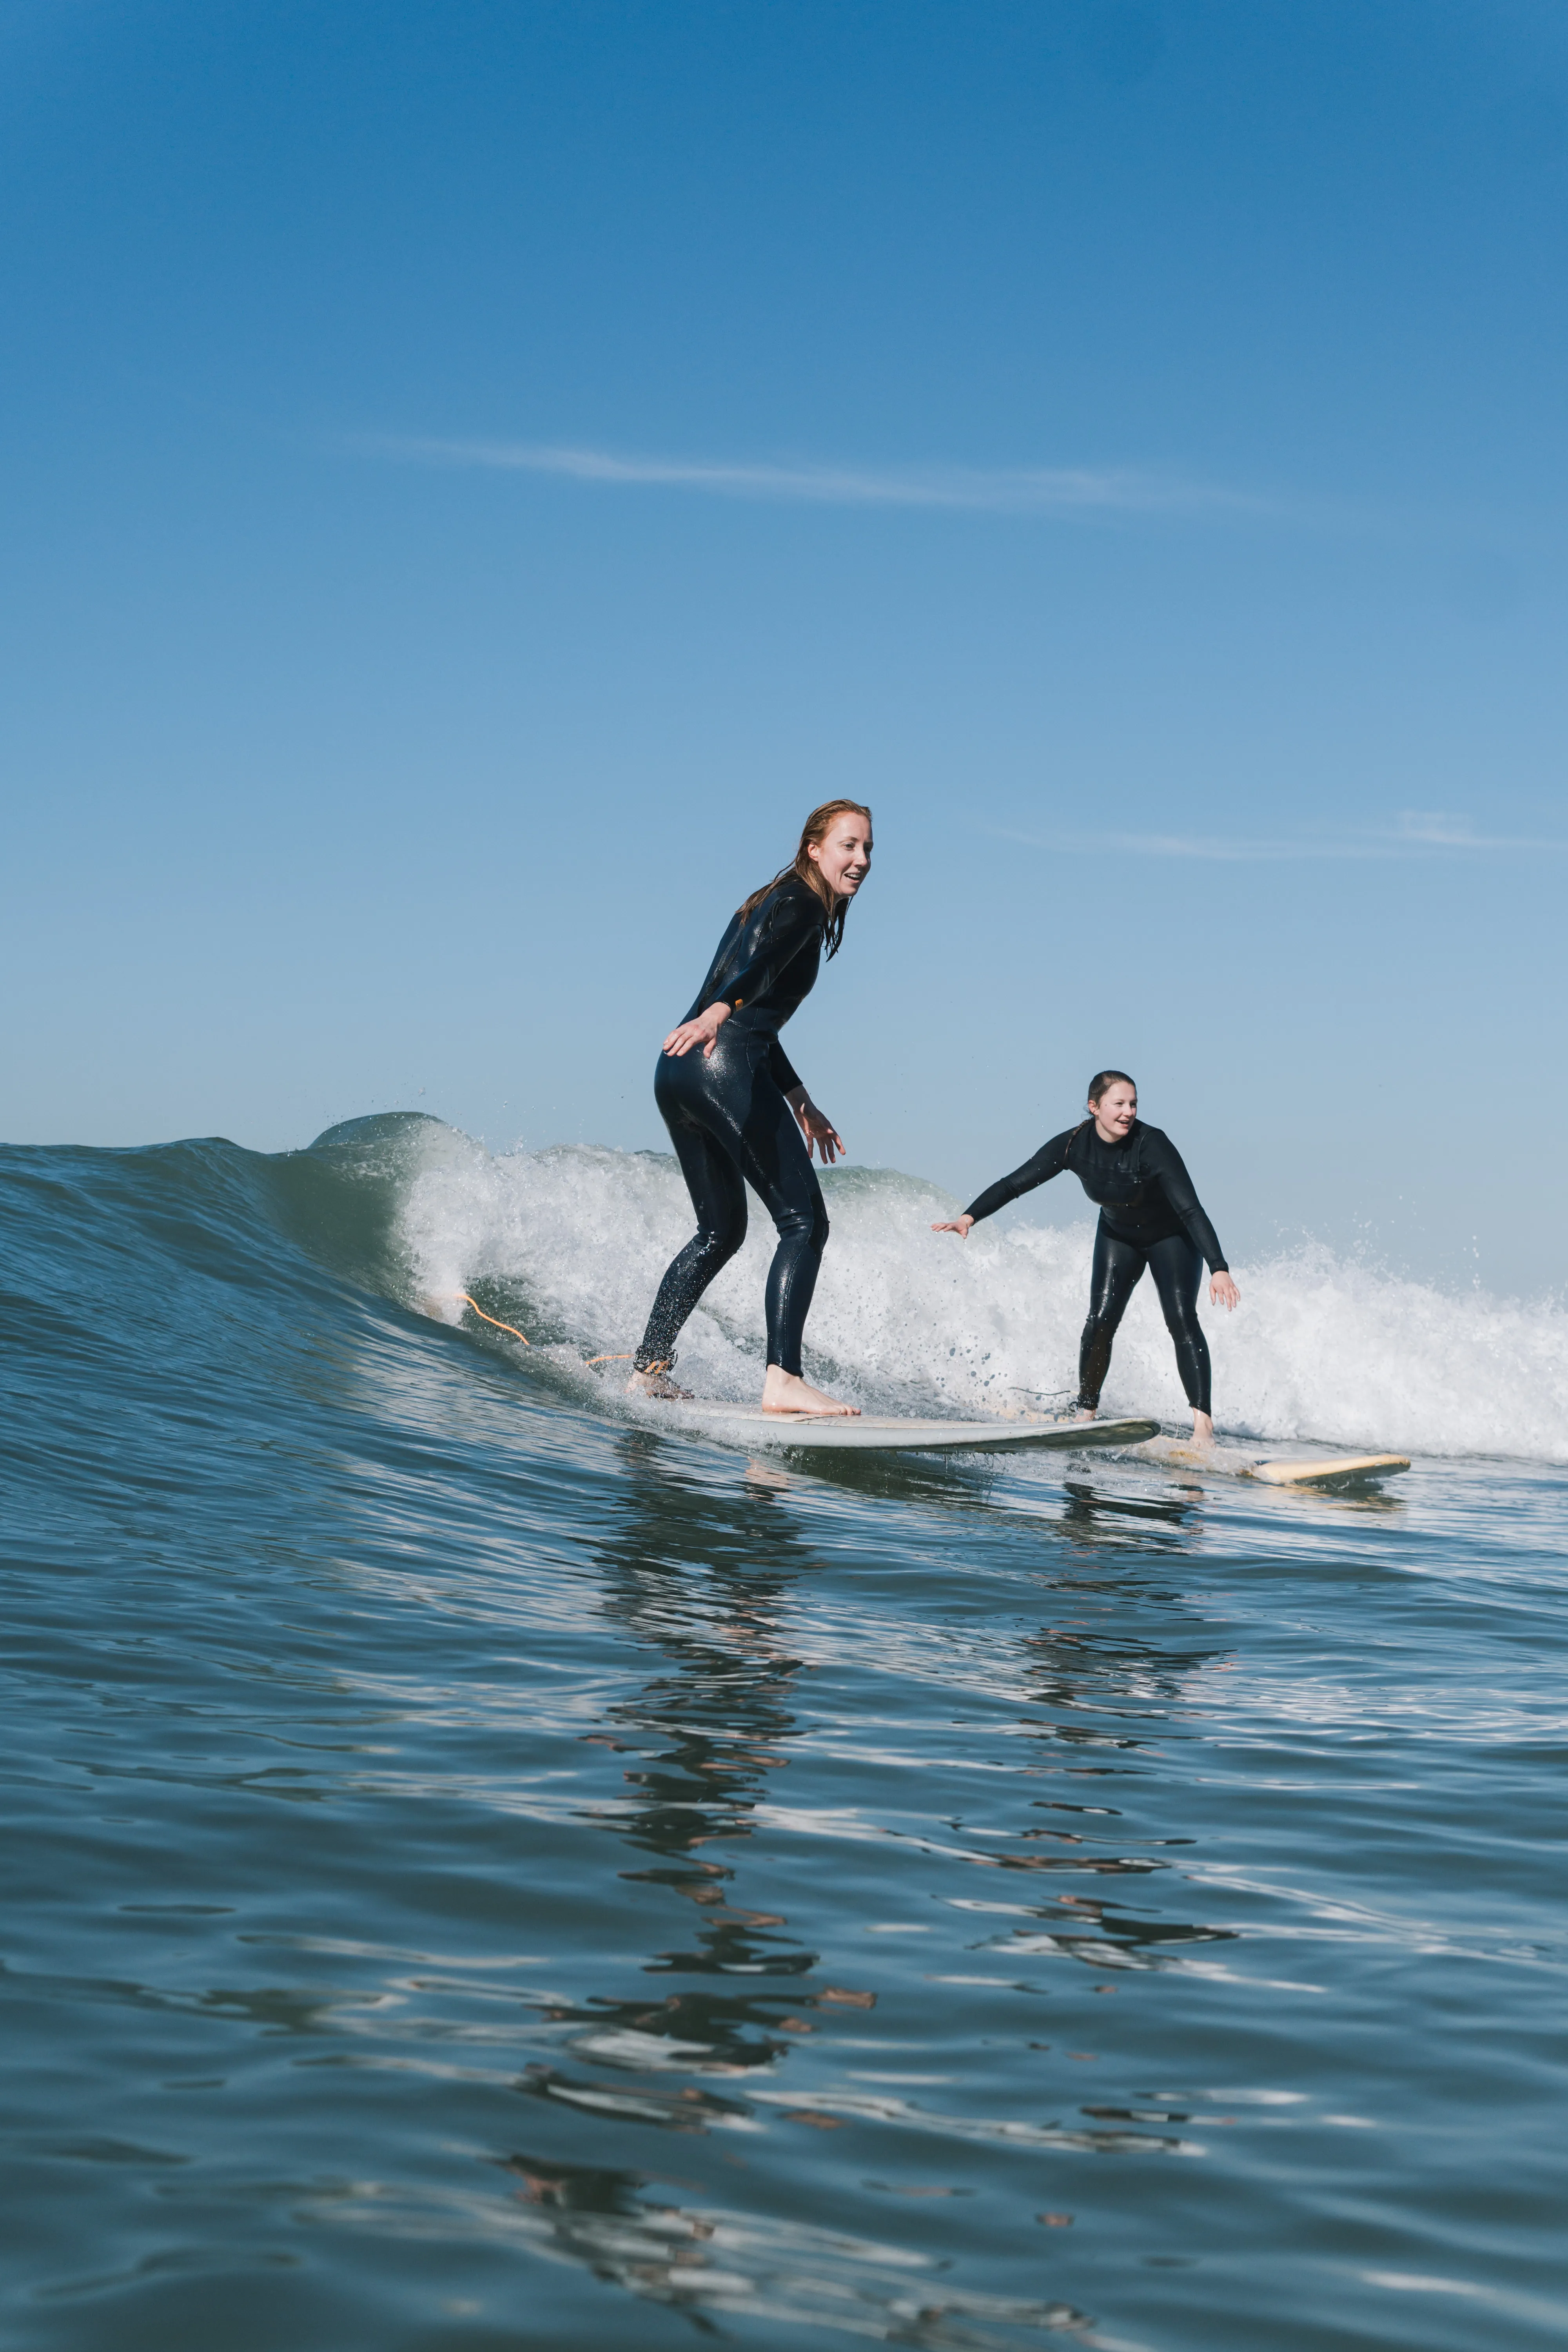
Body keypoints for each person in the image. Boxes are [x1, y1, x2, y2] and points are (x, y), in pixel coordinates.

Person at [628, 801, 873, 1415]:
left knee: (720, 1231)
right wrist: (722, 1011)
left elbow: (759, 1009)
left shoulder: (769, 900)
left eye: (868, 849)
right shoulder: (804, 905)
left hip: (681, 1068)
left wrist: (799, 1099)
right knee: (805, 1223)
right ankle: (784, 1379)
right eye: (848, 846)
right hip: (723, 1057)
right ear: (814, 847)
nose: (862, 860)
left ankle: (648, 1370)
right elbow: (756, 980)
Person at [931, 1071, 1240, 1445]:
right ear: (1095, 1107)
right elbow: (1015, 1184)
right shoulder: (1074, 1146)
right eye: (1119, 1104)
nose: (1128, 1112)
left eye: (1134, 1104)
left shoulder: (1152, 1144)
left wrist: (1218, 1268)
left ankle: (1203, 1427)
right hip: (1118, 1235)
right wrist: (969, 1216)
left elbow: (1191, 1210)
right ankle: (1086, 1411)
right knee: (1101, 1320)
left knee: (1180, 1319)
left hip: (1171, 1238)